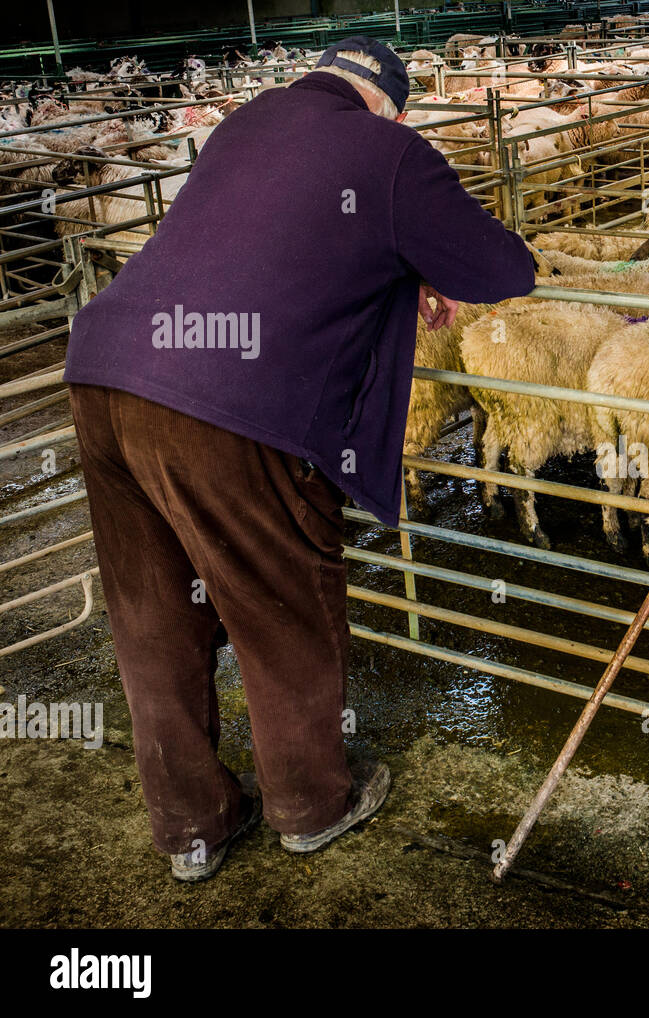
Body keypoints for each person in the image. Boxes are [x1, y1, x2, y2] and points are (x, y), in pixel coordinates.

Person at [63, 37, 536, 881]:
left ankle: (193, 828)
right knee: (281, 599)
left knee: (152, 618)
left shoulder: (244, 122)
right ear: (391, 103)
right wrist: (415, 259)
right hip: (222, 402)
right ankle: (313, 804)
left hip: (104, 368)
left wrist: (393, 263)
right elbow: (503, 268)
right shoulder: (390, 150)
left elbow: (264, 245)